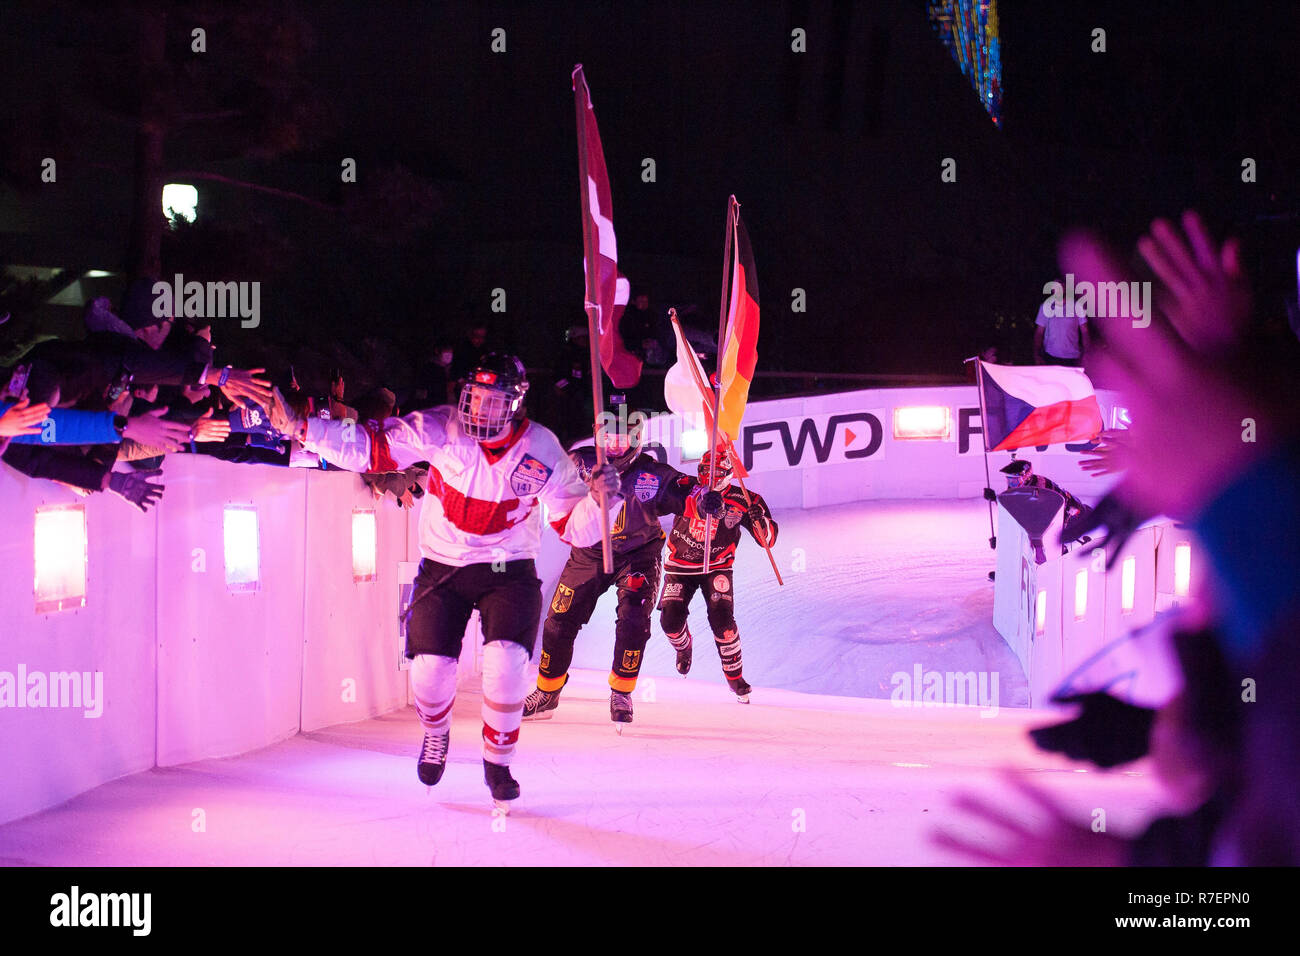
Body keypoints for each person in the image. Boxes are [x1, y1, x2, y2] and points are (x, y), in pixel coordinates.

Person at [274, 352, 621, 810]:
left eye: (492, 401)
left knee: (506, 665)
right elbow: (368, 447)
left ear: (515, 405)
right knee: (430, 671)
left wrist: (602, 502)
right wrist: (305, 430)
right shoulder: (438, 427)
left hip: (508, 568)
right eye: (474, 397)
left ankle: (498, 762)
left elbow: (572, 528)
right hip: (443, 565)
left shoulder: (542, 448)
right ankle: (435, 735)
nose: (479, 410)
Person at [522, 406, 723, 728]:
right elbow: (546, 483)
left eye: (622, 439)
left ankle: (622, 691)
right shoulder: (578, 462)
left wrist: (703, 499)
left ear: (637, 440)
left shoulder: (653, 473)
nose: (614, 447)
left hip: (637, 555)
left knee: (633, 621)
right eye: (608, 438)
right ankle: (547, 690)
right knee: (558, 620)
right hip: (588, 554)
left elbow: (684, 489)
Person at [658, 446, 777, 702]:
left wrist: (760, 521)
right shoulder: (687, 486)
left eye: (717, 473)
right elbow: (661, 498)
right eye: (704, 471)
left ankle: (735, 677)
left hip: (717, 566)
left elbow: (768, 541)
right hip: (680, 564)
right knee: (669, 622)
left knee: (723, 623)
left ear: (729, 473)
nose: (709, 478)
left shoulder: (746, 498)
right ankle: (684, 646)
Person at [998, 459, 1089, 522]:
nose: (1010, 484)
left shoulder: (1040, 488)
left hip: (1072, 514)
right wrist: (994, 498)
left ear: (1026, 477)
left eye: (1014, 480)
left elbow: (1056, 509)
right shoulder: (1019, 487)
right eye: (1009, 479)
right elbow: (1011, 507)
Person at [1033, 293, 1091, 367]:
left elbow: (1085, 332)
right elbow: (1039, 332)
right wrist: (1036, 354)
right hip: (1049, 357)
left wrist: (1086, 354)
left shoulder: (1077, 306)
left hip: (1073, 358)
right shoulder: (1045, 307)